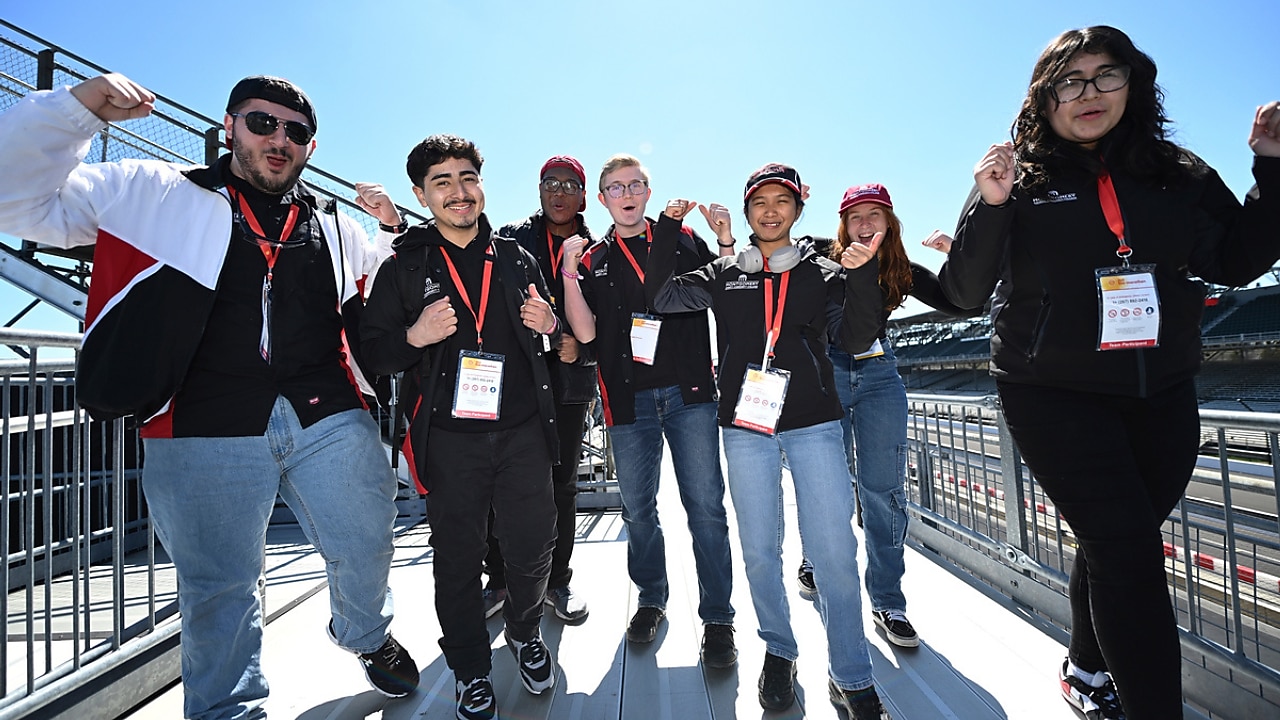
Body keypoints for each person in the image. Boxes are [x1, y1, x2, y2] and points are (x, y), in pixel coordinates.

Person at [0, 73, 420, 718]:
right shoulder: (149, 194)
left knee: (369, 538)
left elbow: (402, 272)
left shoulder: (336, 229)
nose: (279, 139)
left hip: (325, 411)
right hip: (199, 422)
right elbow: (15, 199)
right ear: (229, 127)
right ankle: (229, 710)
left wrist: (391, 223)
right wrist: (75, 109)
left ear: (310, 147)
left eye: (296, 132)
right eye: (262, 123)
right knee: (219, 589)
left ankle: (364, 632)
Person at [937, 25, 1280, 720]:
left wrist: (1271, 166)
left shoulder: (1177, 172)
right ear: (1045, 96)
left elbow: (1237, 261)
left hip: (1162, 388)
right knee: (1127, 555)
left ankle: (1087, 668)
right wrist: (989, 202)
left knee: (1116, 541)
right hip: (1051, 391)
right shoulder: (1020, 177)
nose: (1089, 93)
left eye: (1106, 75)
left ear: (1134, 81)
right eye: (1070, 79)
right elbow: (966, 292)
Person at [634, 162, 892, 719]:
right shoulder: (726, 272)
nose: (770, 211)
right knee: (758, 553)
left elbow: (857, 335)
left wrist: (864, 275)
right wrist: (666, 232)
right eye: (759, 203)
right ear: (747, 211)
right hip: (746, 428)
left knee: (833, 554)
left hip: (813, 424)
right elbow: (660, 297)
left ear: (798, 210)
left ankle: (851, 673)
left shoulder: (824, 271)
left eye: (781, 202)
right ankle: (779, 650)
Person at [359, 134, 562, 720]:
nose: (458, 191)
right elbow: (373, 351)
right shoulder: (402, 268)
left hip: (522, 429)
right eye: (441, 182)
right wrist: (413, 337)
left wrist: (547, 323)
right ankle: (471, 669)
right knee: (456, 558)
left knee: (532, 545)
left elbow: (548, 333)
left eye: (467, 177)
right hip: (450, 440)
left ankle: (525, 633)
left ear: (481, 184)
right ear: (422, 196)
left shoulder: (516, 257)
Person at [556, 154, 738, 667]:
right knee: (638, 509)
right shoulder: (593, 258)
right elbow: (586, 333)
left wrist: (724, 240)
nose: (627, 193)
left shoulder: (680, 239)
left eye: (636, 184)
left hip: (689, 393)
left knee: (705, 507)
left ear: (648, 191)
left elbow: (720, 290)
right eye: (616, 187)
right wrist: (569, 275)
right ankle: (652, 599)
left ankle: (719, 617)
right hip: (627, 396)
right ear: (603, 199)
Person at [794, 183, 980, 650]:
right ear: (842, 225)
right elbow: (781, 236)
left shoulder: (902, 271)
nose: (864, 223)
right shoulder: (820, 254)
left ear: (890, 223)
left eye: (874, 215)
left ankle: (888, 599)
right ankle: (815, 558)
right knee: (825, 482)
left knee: (884, 492)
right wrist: (795, 191)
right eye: (855, 216)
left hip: (878, 374)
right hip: (827, 371)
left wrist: (956, 253)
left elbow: (964, 301)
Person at [484, 155, 597, 623]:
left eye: (570, 184)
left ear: (583, 195)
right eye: (551, 182)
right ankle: (500, 579)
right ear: (539, 190)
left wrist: (584, 352)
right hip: (519, 382)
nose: (559, 191)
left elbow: (612, 316)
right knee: (500, 483)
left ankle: (558, 580)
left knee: (562, 486)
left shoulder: (599, 247)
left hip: (570, 383)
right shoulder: (509, 239)